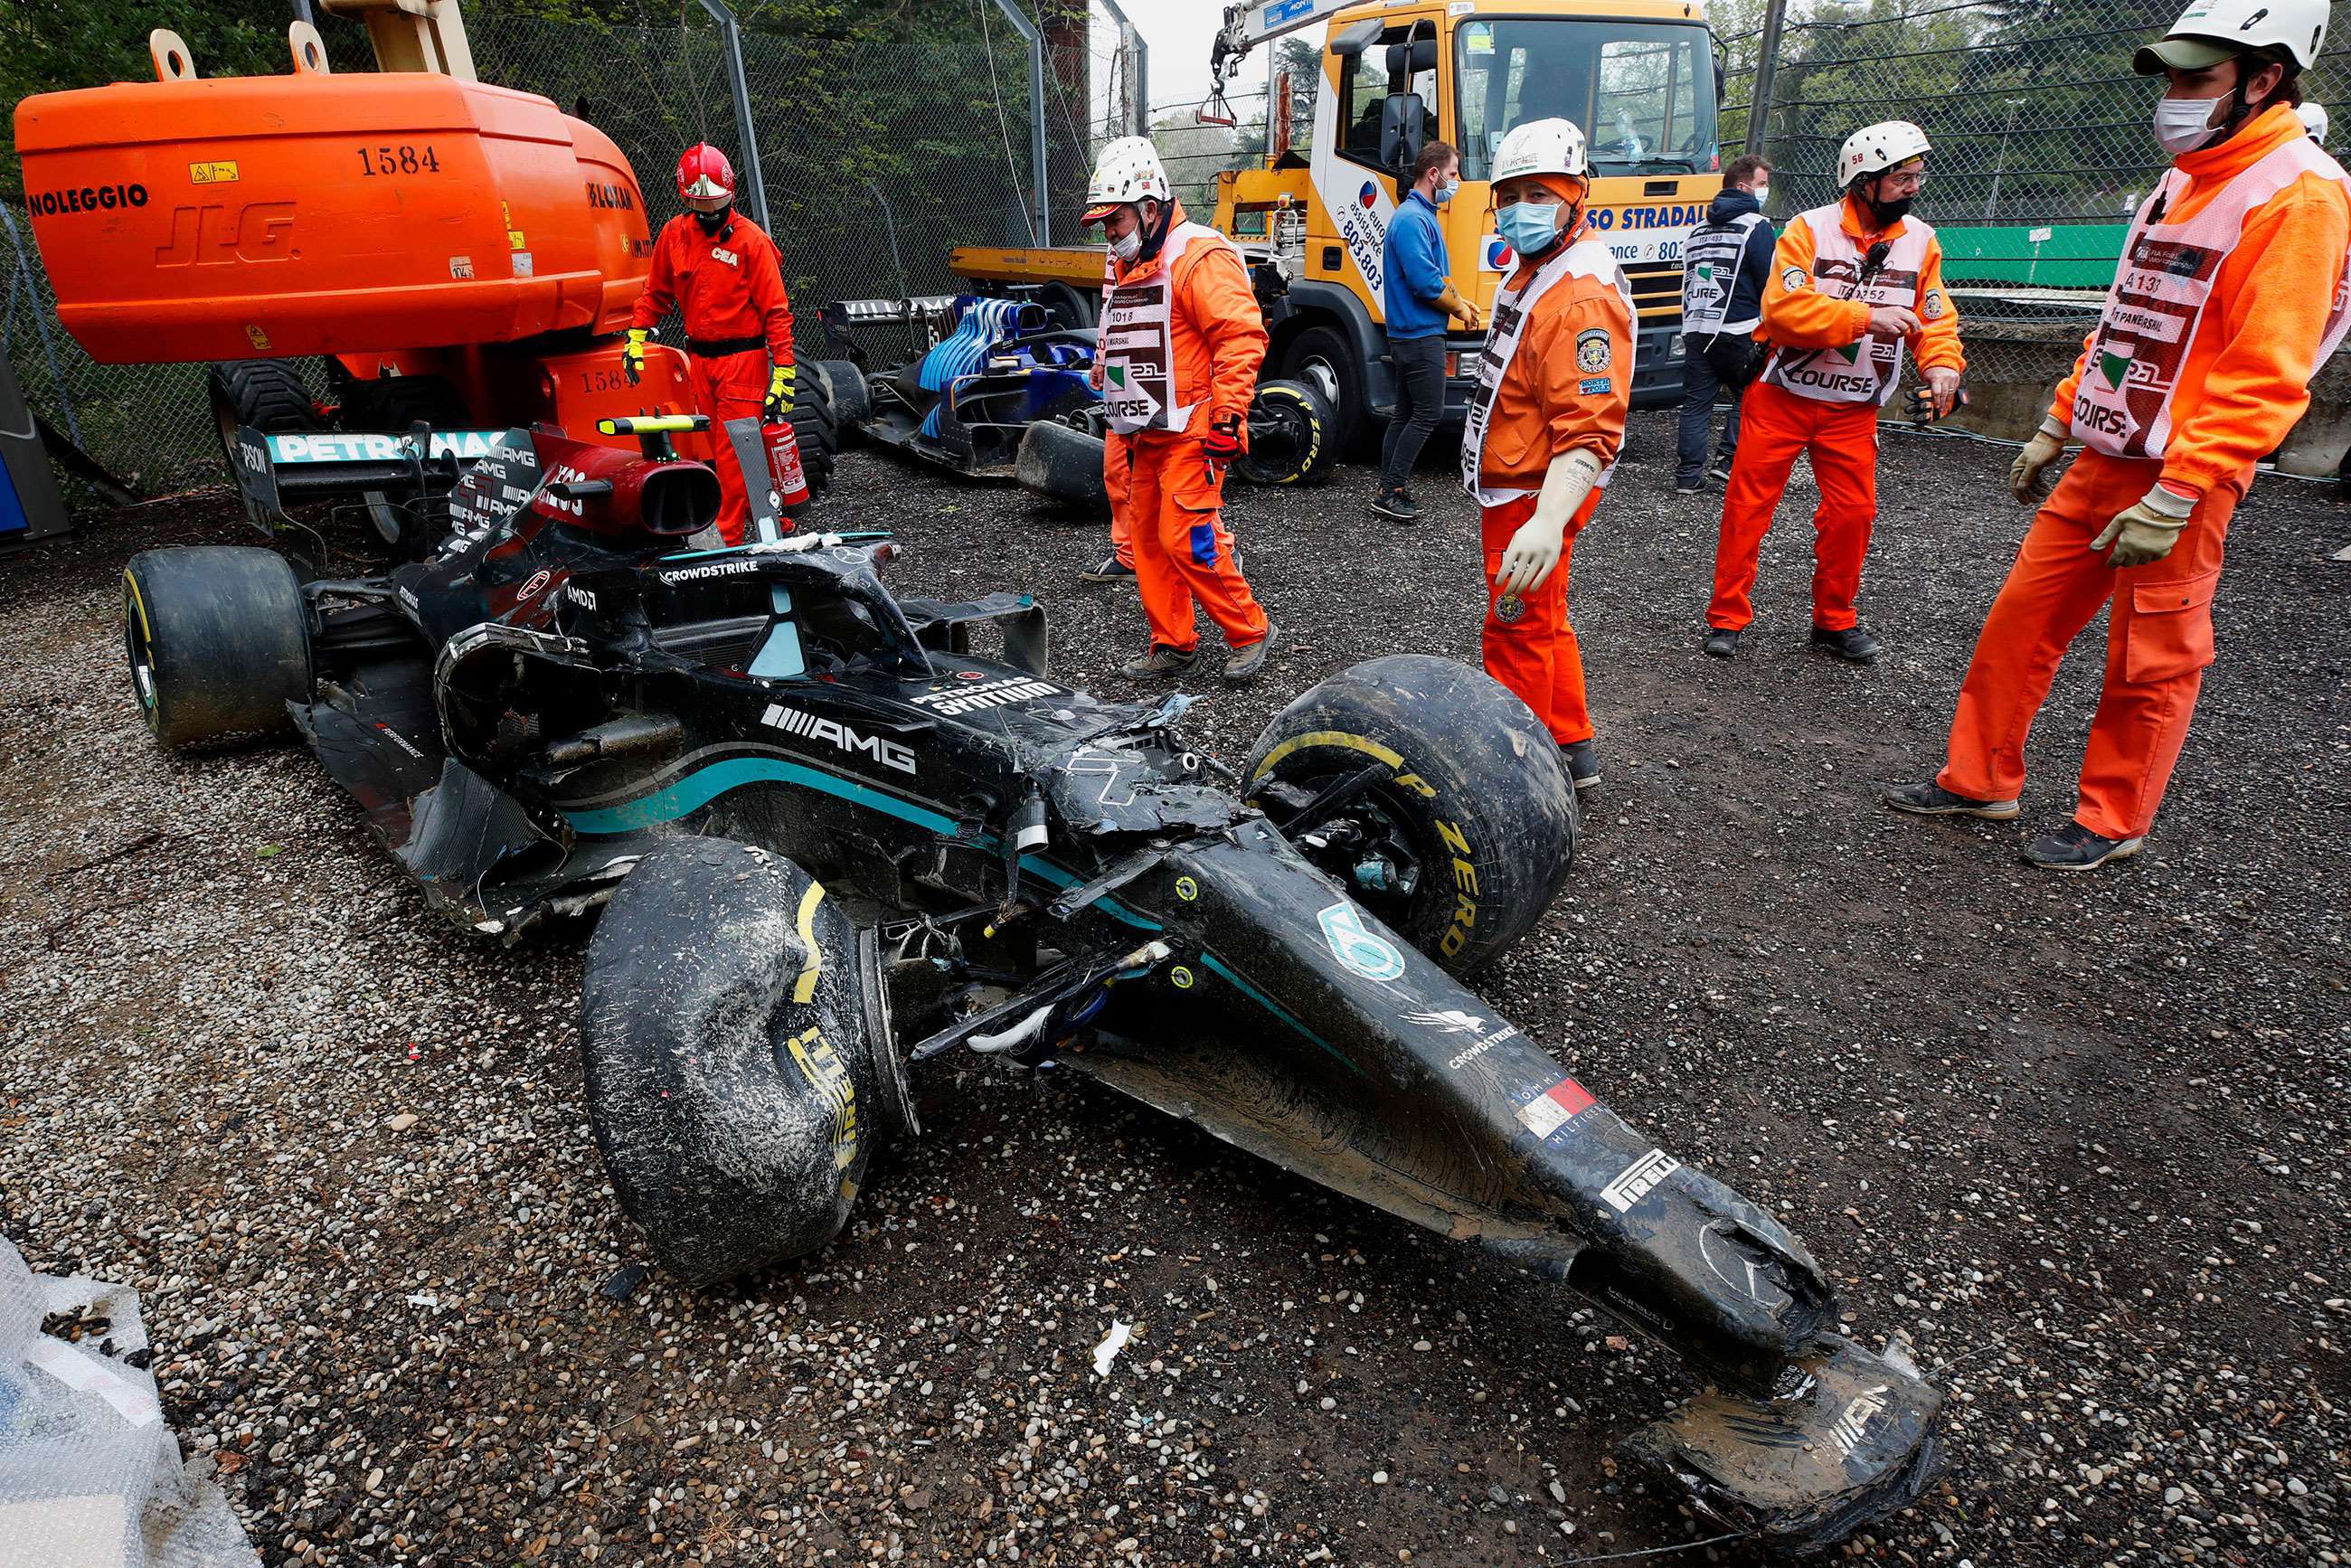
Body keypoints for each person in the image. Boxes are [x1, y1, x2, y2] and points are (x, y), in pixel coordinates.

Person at [1886, 0, 2351, 870]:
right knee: (2019, 622)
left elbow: (2268, 368)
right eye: (2171, 75)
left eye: (2195, 78)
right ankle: (1979, 779)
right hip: (2107, 452)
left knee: (2153, 655)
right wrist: (2060, 420)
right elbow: (2126, 321)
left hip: (2186, 470)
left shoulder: (2300, 194)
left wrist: (2181, 491)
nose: (2173, 95)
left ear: (2265, 79)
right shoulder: (2185, 179)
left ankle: (2113, 818)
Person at [1701, 121, 1965, 663]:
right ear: (1863, 180)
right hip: (1782, 397)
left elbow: (1934, 318)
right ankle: (1726, 617)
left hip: (1853, 409)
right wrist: (1867, 318)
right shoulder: (1806, 230)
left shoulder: (1922, 242)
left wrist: (1942, 368)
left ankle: (1834, 620)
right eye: (1902, 179)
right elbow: (1783, 311)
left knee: (1853, 514)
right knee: (1748, 506)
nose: (1914, 188)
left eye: (1917, 177)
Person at [1459, 118, 1633, 791]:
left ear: (1575, 193)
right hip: (1524, 483)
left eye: (1539, 193)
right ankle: (1570, 743)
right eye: (1510, 195)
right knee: (1546, 618)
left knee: (1516, 625)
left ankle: (1521, 775)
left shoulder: (1576, 294)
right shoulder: (1543, 269)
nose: (1519, 208)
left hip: (1536, 490)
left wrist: (1547, 519)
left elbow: (1590, 428)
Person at [1081, 137, 1277, 684]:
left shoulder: (1197, 255)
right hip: (1148, 429)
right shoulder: (1136, 263)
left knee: (1185, 536)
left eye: (1114, 222)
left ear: (1147, 208)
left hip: (1196, 426)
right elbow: (1124, 334)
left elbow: (1241, 337)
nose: (1109, 235)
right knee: (1144, 539)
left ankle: (1250, 630)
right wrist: (1106, 371)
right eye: (1104, 225)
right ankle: (1173, 641)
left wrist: (1228, 415)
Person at [623, 144, 795, 547]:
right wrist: (636, 336)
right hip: (700, 361)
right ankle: (774, 517)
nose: (711, 213)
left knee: (734, 452)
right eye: (703, 205)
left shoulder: (751, 242)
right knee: (719, 450)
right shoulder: (674, 236)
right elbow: (656, 293)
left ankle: (728, 541)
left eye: (717, 203)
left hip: (743, 362)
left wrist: (784, 370)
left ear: (730, 195)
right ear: (687, 199)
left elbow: (776, 311)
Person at [1374, 140, 1481, 524]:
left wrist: (1461, 302)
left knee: (1405, 414)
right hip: (1419, 337)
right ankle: (1391, 489)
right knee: (1427, 414)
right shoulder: (1413, 220)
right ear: (1433, 174)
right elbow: (1424, 282)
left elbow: (1435, 278)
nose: (1456, 181)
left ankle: (1390, 486)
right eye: (1453, 174)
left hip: (1412, 334)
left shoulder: (1417, 217)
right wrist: (1457, 306)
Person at [1676, 154, 1775, 495]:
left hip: (1695, 328)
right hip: (1740, 329)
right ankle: (1727, 463)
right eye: (1762, 184)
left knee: (1696, 404)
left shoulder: (1697, 231)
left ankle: (1688, 478)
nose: (1766, 191)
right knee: (1750, 396)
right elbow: (1769, 281)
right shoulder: (1755, 226)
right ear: (1743, 187)